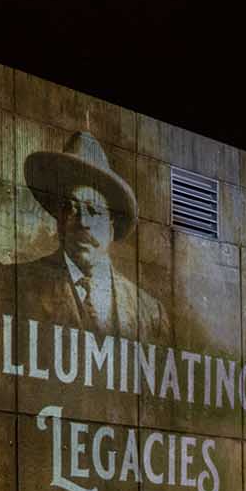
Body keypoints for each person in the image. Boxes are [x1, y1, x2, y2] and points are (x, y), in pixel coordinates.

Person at [20, 131, 170, 341]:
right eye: (71, 208)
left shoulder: (150, 313)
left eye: (93, 210)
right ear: (59, 220)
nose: (83, 222)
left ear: (111, 225)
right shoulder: (21, 287)